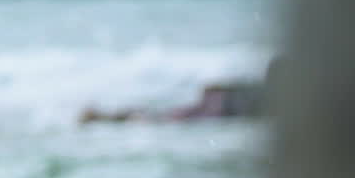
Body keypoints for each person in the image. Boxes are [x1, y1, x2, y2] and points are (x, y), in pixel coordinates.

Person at [80, 57, 280, 125]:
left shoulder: (258, 89)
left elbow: (214, 87)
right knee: (161, 119)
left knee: (162, 117)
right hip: (216, 109)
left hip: (215, 103)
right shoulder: (272, 98)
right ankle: (103, 118)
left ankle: (103, 117)